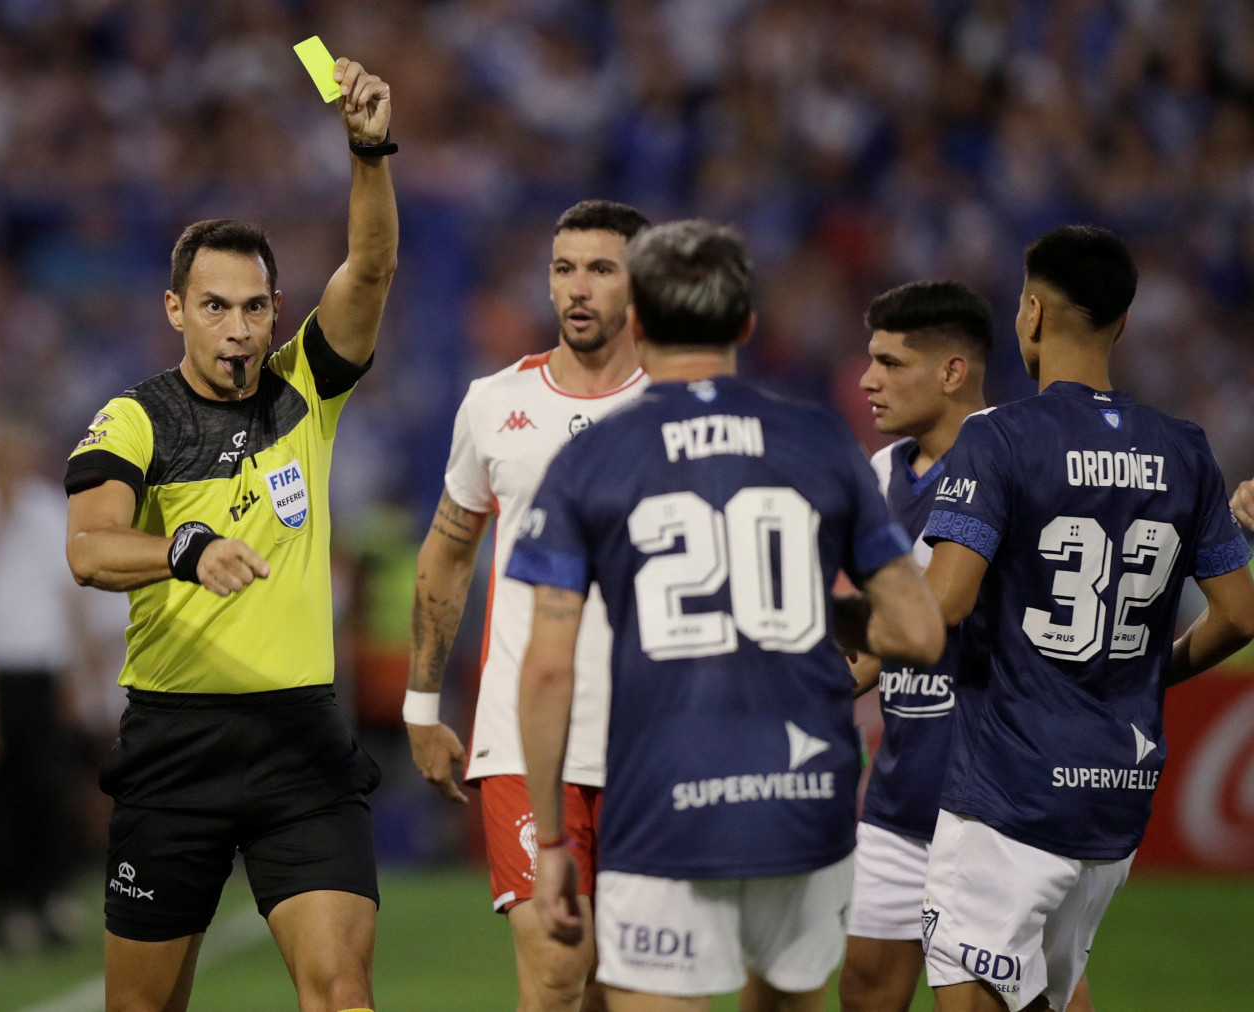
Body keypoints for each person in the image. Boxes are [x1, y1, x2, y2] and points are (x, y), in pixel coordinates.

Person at [509, 220, 945, 1012]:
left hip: (661, 802)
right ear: (746, 324)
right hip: (805, 797)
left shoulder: (592, 458)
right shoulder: (818, 438)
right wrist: (830, 615)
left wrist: (550, 841)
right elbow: (918, 633)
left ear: (637, 320)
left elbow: (545, 666)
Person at [63, 57, 397, 1012]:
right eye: (215, 307)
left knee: (340, 994)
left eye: (254, 307)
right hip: (176, 742)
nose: (238, 329)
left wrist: (369, 150)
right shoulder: (133, 419)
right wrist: (184, 549)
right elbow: (88, 550)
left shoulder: (307, 389)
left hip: (300, 741)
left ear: (275, 312)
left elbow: (370, 267)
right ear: (176, 311)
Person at [918, 225, 1254, 1012]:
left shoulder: (997, 438)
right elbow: (1240, 615)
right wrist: (1147, 669)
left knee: (971, 998)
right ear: (1124, 322)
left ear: (1030, 314)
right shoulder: (1184, 450)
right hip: (1114, 795)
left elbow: (947, 602)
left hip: (1008, 790)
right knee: (1048, 996)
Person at [404, 199, 650, 1012]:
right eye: (563, 268)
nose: (577, 289)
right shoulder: (492, 404)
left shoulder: (678, 411)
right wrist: (420, 702)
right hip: (521, 734)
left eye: (601, 269)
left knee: (630, 981)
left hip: (649, 732)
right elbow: (448, 547)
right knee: (554, 970)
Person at [838, 282, 1095, 1012]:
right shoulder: (878, 475)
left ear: (951, 371)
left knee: (1037, 995)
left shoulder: (1027, 463)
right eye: (869, 361)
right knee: (863, 987)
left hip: (1000, 798)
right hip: (900, 792)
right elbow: (877, 640)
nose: (867, 381)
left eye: (890, 362)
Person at [0, 414, 95, 952]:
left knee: (48, 790)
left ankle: (47, 899)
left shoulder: (49, 509)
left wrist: (75, 673)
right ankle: (7, 908)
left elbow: (66, 595)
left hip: (43, 671)